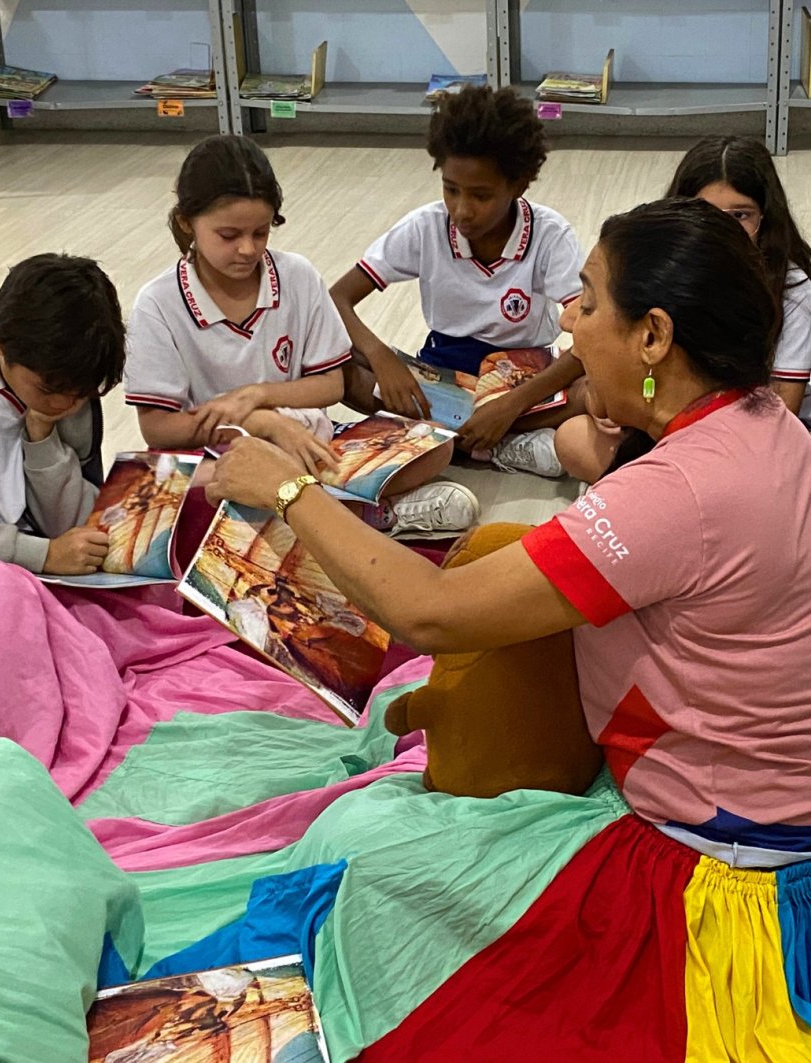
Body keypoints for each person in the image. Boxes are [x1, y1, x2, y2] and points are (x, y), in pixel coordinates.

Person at [205, 198, 811, 1049]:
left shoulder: (680, 489)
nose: (567, 314)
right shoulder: (766, 427)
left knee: (367, 867)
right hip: (756, 809)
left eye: (590, 301)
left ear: (655, 336)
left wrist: (288, 488)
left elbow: (429, 613)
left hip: (718, 860)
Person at [125, 134, 478, 536]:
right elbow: (157, 429)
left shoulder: (297, 275)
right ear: (188, 222)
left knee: (435, 446)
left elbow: (329, 384)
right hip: (219, 460)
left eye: (260, 233)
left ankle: (304, 516)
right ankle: (351, 515)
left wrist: (259, 396)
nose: (247, 249)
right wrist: (261, 424)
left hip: (309, 446)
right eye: (228, 235)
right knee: (163, 487)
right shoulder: (158, 302)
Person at [329, 84, 586, 478]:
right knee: (334, 367)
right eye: (451, 190)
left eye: (481, 195)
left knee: (596, 386)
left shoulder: (550, 234)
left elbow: (588, 334)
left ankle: (455, 437)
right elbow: (337, 298)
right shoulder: (424, 227)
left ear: (518, 186)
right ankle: (495, 442)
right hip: (443, 370)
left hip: (524, 375)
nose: (462, 210)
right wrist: (381, 358)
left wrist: (512, 403)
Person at [555, 134, 811, 482]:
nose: (725, 229)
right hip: (675, 420)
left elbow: (782, 413)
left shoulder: (793, 288)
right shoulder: (665, 267)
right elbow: (590, 341)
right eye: (706, 213)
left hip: (743, 440)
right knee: (575, 427)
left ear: (766, 217)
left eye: (741, 215)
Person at [0, 253, 125, 575]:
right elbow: (52, 550)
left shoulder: (74, 375)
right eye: (49, 391)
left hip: (41, 569)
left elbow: (72, 524)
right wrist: (41, 554)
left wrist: (42, 437)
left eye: (81, 395)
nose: (66, 405)